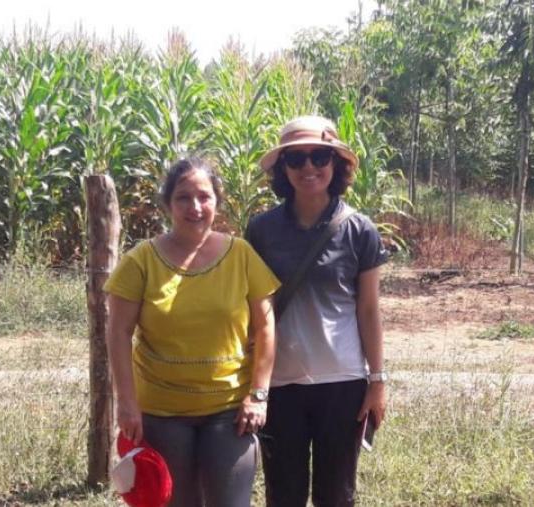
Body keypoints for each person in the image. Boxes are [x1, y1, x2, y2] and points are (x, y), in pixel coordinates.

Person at [104, 157, 280, 507]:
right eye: (183, 197)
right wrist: (126, 404)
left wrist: (258, 395)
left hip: (230, 412)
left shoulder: (241, 255)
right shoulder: (141, 261)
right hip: (161, 414)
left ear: (217, 201)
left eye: (204, 197)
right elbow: (118, 333)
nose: (195, 207)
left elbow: (266, 325)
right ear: (168, 204)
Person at [245, 116, 389, 507]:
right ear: (283, 168)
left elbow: (369, 309)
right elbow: (252, 308)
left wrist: (377, 381)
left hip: (343, 385)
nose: (308, 167)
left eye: (319, 157)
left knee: (336, 495)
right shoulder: (261, 231)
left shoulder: (359, 229)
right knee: (283, 494)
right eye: (296, 159)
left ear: (336, 163)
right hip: (280, 385)